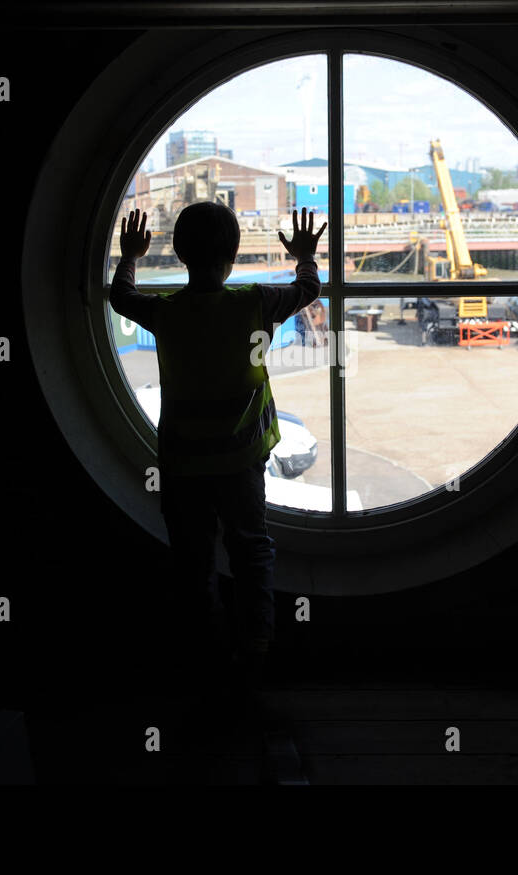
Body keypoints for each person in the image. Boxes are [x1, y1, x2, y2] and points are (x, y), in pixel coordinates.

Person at [109, 202, 325, 692]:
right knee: (252, 552)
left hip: (183, 465)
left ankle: (204, 655)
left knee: (193, 560)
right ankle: (254, 652)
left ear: (180, 253)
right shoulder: (253, 302)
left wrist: (130, 256)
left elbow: (121, 297)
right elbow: (308, 289)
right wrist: (305, 254)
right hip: (242, 461)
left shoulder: (165, 312)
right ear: (233, 253)